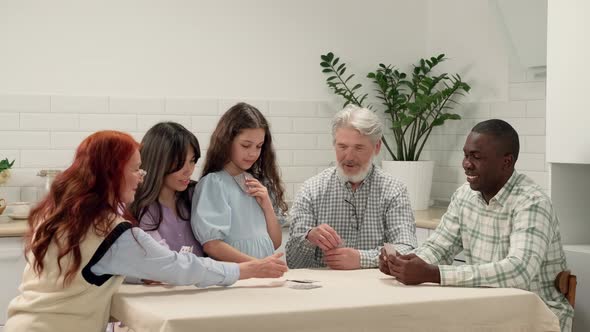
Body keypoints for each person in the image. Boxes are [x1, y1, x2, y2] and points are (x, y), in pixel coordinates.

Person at [4, 131, 287, 332]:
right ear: (112, 174)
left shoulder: (58, 216)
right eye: (136, 169)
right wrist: (249, 269)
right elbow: (179, 266)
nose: (142, 176)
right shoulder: (111, 231)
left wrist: (140, 272)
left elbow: (85, 271)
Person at [379, 119, 573, 331]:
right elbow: (438, 247)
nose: (466, 163)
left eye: (476, 157)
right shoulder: (464, 195)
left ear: (506, 162)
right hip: (485, 309)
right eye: (466, 155)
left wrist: (433, 274)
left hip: (534, 317)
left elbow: (519, 271)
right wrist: (404, 263)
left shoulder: (532, 202)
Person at [286, 105, 417, 270]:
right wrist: (309, 239)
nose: (349, 157)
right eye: (342, 147)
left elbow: (407, 250)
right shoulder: (311, 190)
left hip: (376, 290)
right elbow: (292, 263)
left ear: (377, 147)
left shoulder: (393, 190)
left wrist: (362, 259)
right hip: (322, 290)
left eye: (358, 148)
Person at [192, 102, 288, 262]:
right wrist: (256, 266)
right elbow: (212, 245)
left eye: (259, 146)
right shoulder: (214, 184)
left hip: (262, 275)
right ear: (227, 141)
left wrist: (267, 206)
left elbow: (275, 242)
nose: (253, 153)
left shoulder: (259, 183)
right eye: (245, 145)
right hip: (234, 277)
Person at [130, 122, 203, 256]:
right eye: (180, 162)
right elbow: (162, 261)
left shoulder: (197, 193)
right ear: (158, 161)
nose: (189, 170)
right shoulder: (143, 209)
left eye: (192, 161)